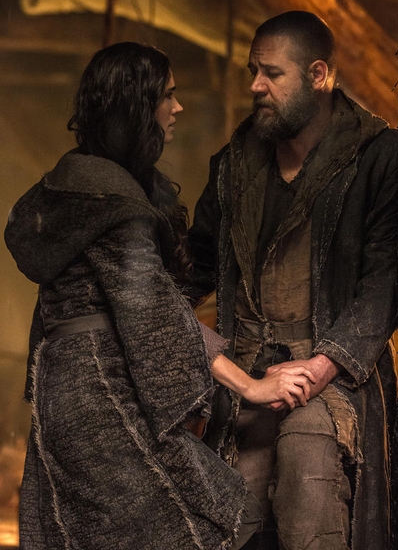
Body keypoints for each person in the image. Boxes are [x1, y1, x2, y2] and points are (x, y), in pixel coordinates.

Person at [4, 42, 318, 550]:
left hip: (62, 389)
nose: (178, 107)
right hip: (101, 397)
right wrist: (252, 386)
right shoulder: (116, 207)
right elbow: (155, 317)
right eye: (167, 96)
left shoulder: (72, 187)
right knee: (192, 523)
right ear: (137, 106)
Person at [188, 12, 398, 550]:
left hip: (334, 377)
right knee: (232, 519)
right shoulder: (234, 166)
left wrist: (321, 366)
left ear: (318, 75)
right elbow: (192, 268)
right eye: (253, 72)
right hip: (250, 371)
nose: (255, 86)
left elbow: (385, 284)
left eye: (272, 74)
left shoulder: (376, 157)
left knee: (310, 483)